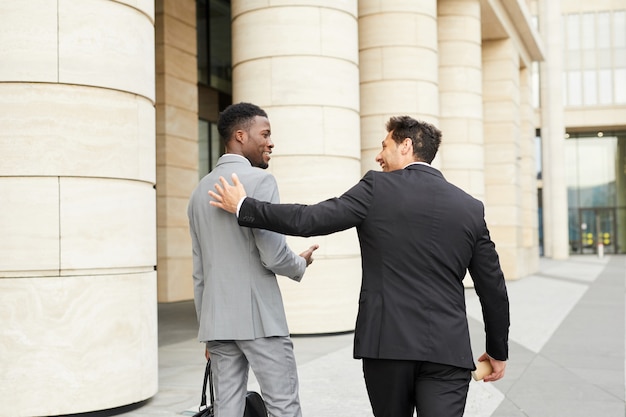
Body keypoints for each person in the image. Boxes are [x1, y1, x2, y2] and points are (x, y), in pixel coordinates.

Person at [209, 115, 510, 417]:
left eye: (384, 146)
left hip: (386, 347)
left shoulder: (376, 188)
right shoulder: (470, 207)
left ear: (406, 146)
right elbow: (492, 287)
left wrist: (244, 206)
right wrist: (498, 351)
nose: (378, 156)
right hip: (448, 351)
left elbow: (310, 219)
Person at [187, 102, 318, 417]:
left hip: (217, 323)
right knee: (283, 405)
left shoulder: (198, 192)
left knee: (227, 410)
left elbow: (199, 272)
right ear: (241, 136)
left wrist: (208, 327)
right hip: (260, 318)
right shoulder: (260, 182)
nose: (271, 142)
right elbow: (272, 253)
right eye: (266, 134)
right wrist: (299, 263)